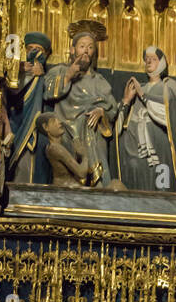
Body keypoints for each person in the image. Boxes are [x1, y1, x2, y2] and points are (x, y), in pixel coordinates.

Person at [43, 25, 117, 187]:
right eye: (82, 46)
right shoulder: (59, 71)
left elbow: (112, 108)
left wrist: (101, 111)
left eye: (90, 48)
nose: (85, 51)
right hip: (67, 133)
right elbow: (47, 92)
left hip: (93, 134)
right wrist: (68, 75)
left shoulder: (99, 81)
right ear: (72, 49)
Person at [115, 46, 176, 192]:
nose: (149, 62)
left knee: (161, 186)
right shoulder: (141, 87)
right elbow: (121, 119)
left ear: (162, 63)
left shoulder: (168, 85)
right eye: (146, 60)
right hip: (136, 147)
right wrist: (126, 100)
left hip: (159, 147)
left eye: (153, 59)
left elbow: (168, 111)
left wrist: (143, 95)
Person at [9, 32, 53, 184]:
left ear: (46, 55)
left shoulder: (49, 77)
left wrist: (40, 77)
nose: (34, 52)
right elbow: (11, 93)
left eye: (39, 49)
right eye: (30, 48)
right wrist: (21, 72)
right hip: (17, 125)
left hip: (39, 131)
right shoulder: (16, 72)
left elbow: (50, 97)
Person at [35, 113, 91, 187]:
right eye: (53, 121)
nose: (59, 122)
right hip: (67, 189)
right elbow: (81, 173)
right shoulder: (55, 148)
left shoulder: (55, 147)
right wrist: (85, 156)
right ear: (46, 127)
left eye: (58, 119)